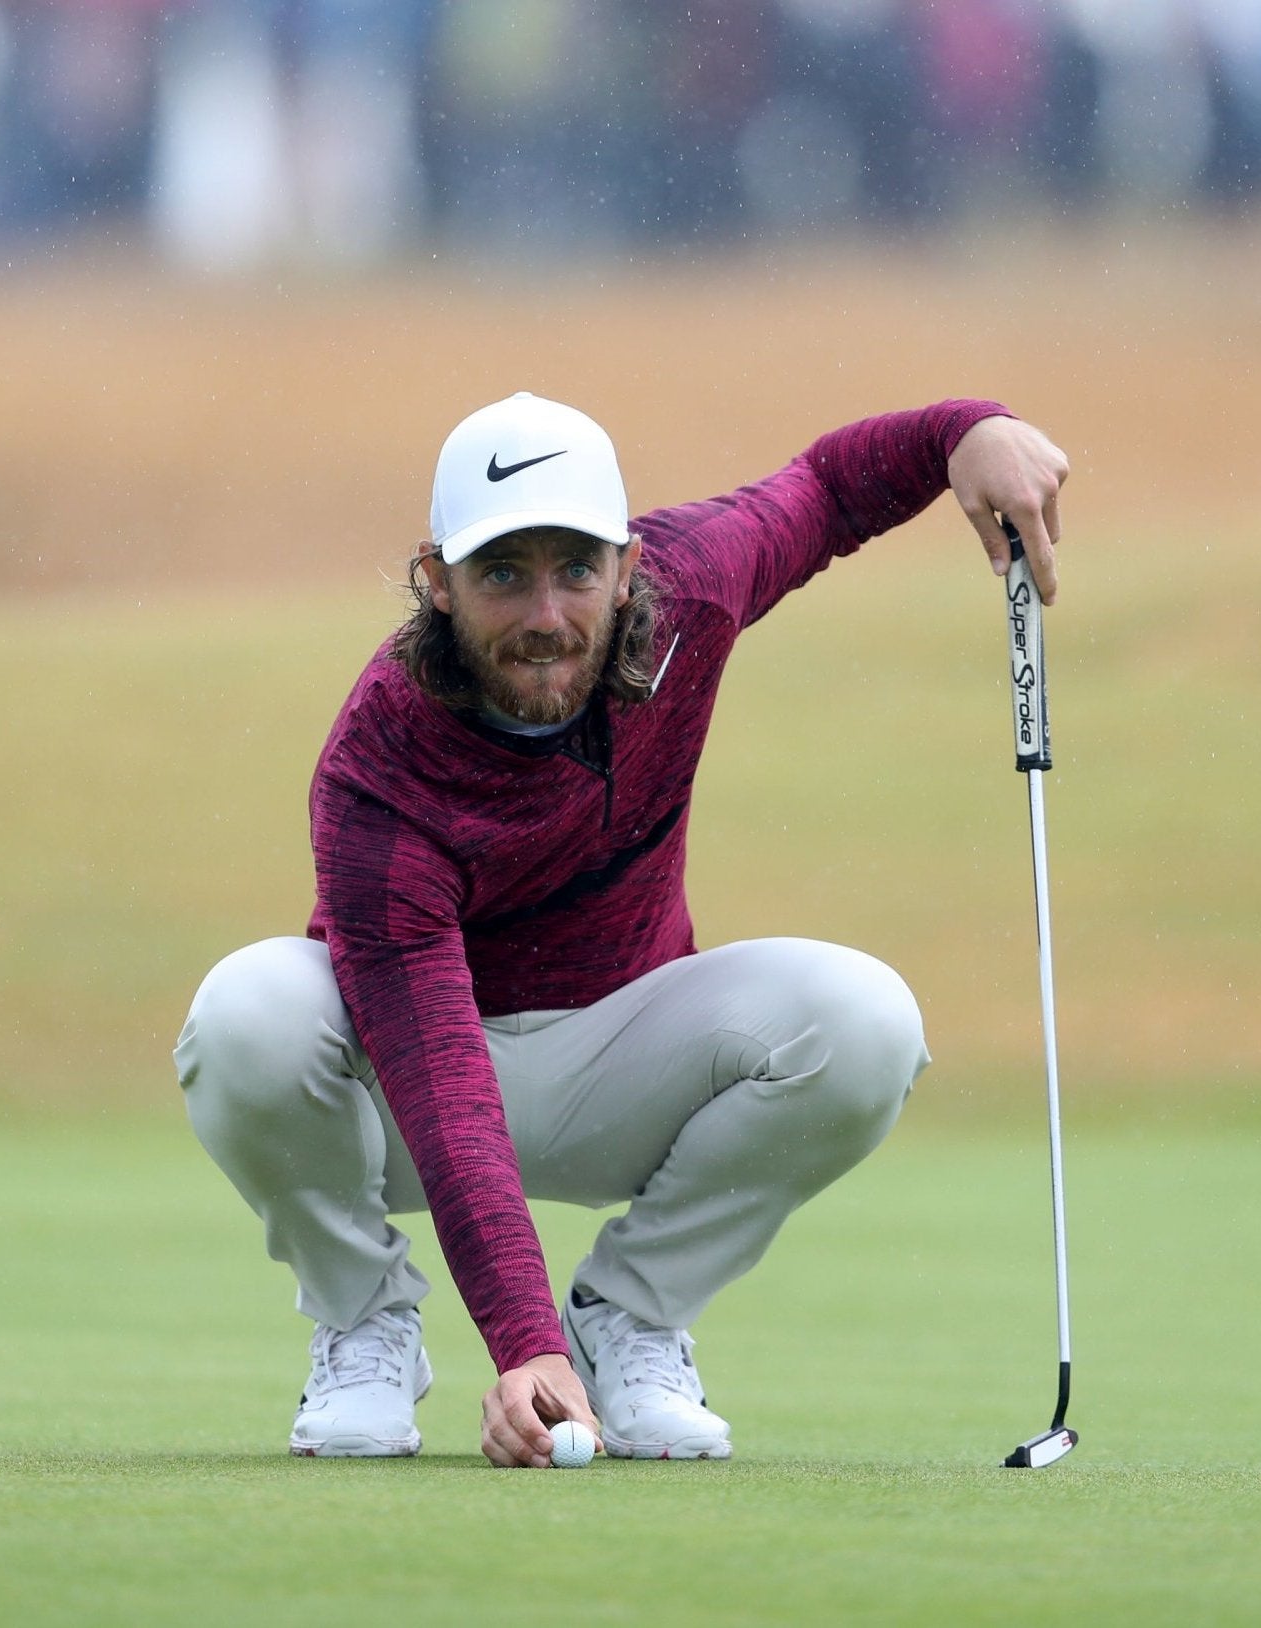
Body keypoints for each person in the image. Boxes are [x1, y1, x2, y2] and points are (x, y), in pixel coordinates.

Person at [175, 391, 1069, 1467]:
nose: (546, 613)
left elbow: (825, 489)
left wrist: (960, 432)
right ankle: (363, 1323)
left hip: (622, 1059)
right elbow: (438, 1066)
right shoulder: (381, 762)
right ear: (436, 580)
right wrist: (519, 1339)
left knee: (863, 1016)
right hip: (404, 1091)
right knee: (247, 1010)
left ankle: (632, 1318)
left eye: (575, 569)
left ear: (629, 566)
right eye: (503, 573)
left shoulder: (693, 590)